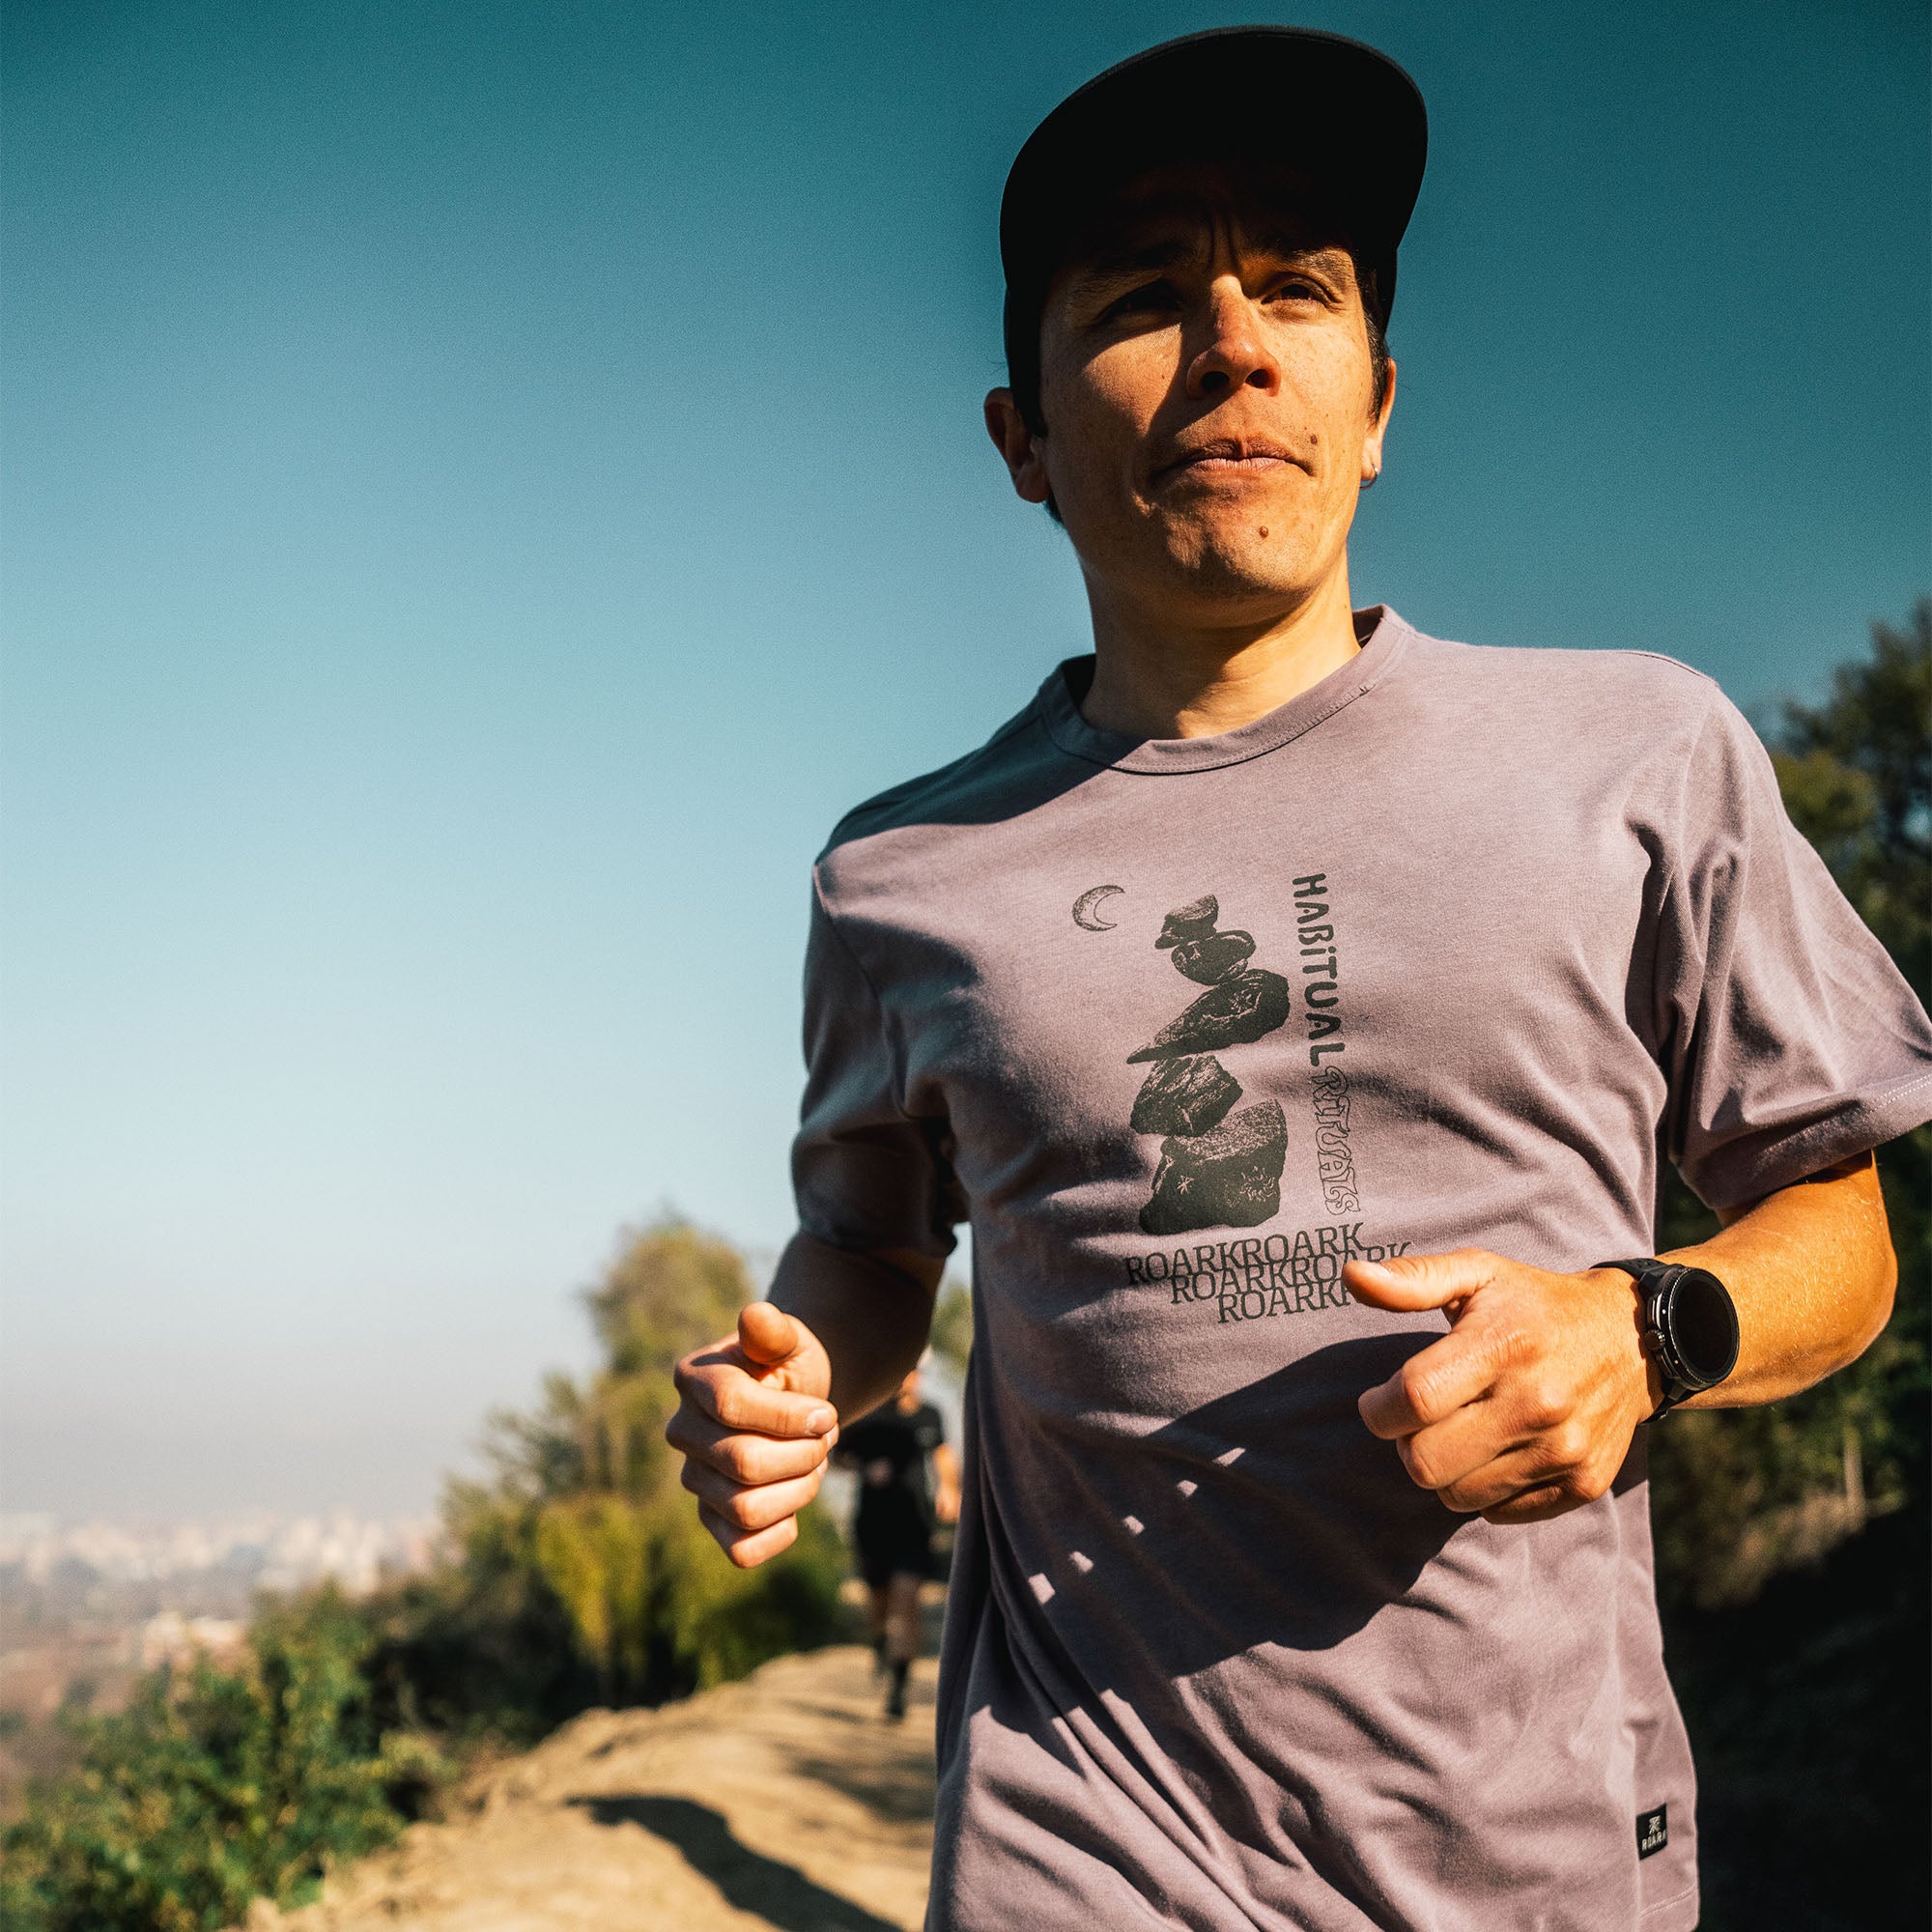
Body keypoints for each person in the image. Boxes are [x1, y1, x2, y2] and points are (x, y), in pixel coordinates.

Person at [668, 27, 1932, 1930]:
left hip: (1538, 1862)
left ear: (1379, 398)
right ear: (1017, 435)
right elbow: (863, 1250)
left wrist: (1637, 1328)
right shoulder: (893, 876)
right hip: (1072, 1845)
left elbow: (1838, 1222)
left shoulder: (1638, 756)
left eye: (1298, 289)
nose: (1235, 342)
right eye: (1148, 293)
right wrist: (796, 1377)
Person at [834, 1358, 961, 1719]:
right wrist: (864, 1467)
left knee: (907, 1600)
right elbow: (837, 1456)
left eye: (913, 1370)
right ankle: (880, 1643)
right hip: (872, 1527)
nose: (907, 1378)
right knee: (880, 1605)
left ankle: (899, 1689)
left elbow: (942, 1453)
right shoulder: (868, 1417)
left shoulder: (930, 1415)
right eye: (901, 1369)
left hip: (914, 1526)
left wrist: (949, 1489)